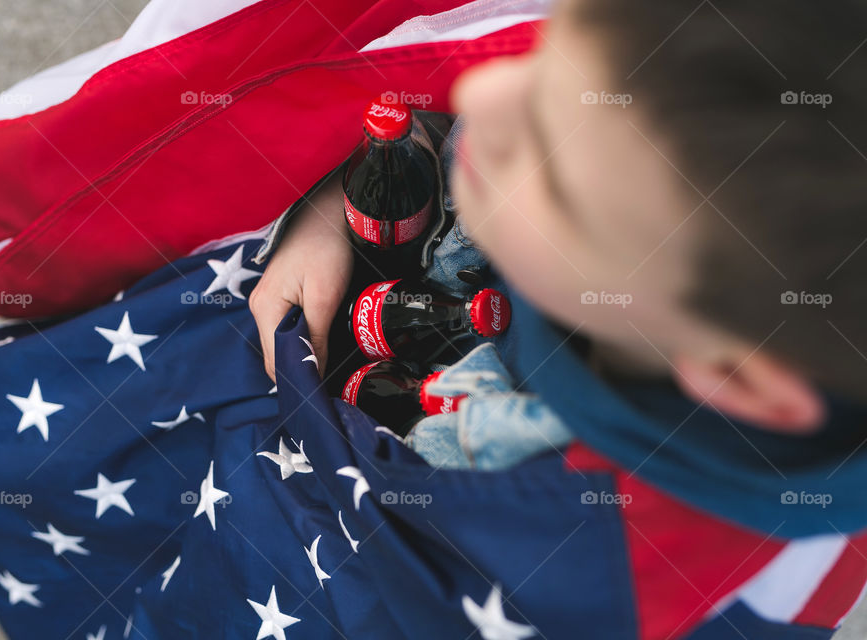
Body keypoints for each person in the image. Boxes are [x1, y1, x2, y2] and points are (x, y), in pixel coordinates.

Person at [250, 0, 867, 635]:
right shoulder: (644, 203)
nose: (479, 89)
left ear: (736, 377)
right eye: (542, 62)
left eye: (552, 173)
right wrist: (333, 216)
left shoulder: (613, 573)